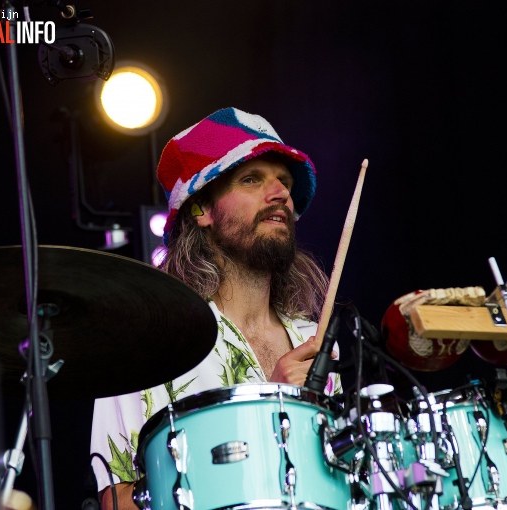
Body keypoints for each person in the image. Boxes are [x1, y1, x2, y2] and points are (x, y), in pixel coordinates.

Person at [90, 107, 341, 510]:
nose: (280, 194)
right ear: (201, 209)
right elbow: (117, 502)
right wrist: (271, 410)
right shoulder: (144, 346)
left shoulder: (316, 341)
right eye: (252, 179)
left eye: (284, 182)